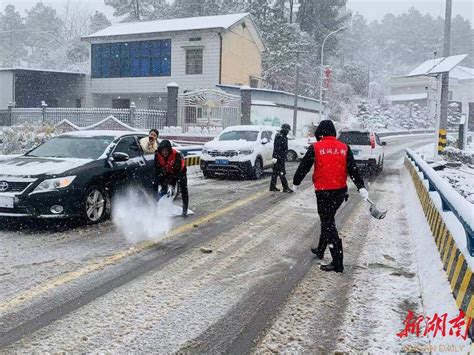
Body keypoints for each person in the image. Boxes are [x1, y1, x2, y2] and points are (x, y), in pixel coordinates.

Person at [292, 120, 369, 273]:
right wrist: (361, 187)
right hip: (339, 192)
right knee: (328, 219)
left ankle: (337, 262)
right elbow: (353, 169)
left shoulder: (316, 147)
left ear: (320, 132)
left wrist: (296, 182)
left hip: (323, 192)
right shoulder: (344, 148)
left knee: (328, 223)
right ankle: (321, 249)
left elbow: (304, 166)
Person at [154, 140, 189, 217]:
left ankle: (185, 209)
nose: (164, 152)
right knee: (159, 183)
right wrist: (162, 177)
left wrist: (171, 181)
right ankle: (159, 204)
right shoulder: (157, 155)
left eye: (166, 150)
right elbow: (157, 169)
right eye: (163, 150)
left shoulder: (177, 155)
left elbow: (176, 172)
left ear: (169, 150)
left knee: (183, 188)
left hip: (180, 171)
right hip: (167, 169)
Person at [270, 123, 293, 193]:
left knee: (275, 173)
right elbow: (277, 148)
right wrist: (276, 157)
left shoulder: (282, 136)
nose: (288, 131)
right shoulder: (280, 136)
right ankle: (285, 187)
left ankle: (272, 187)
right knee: (282, 173)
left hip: (279, 157)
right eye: (287, 130)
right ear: (284, 129)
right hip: (279, 158)